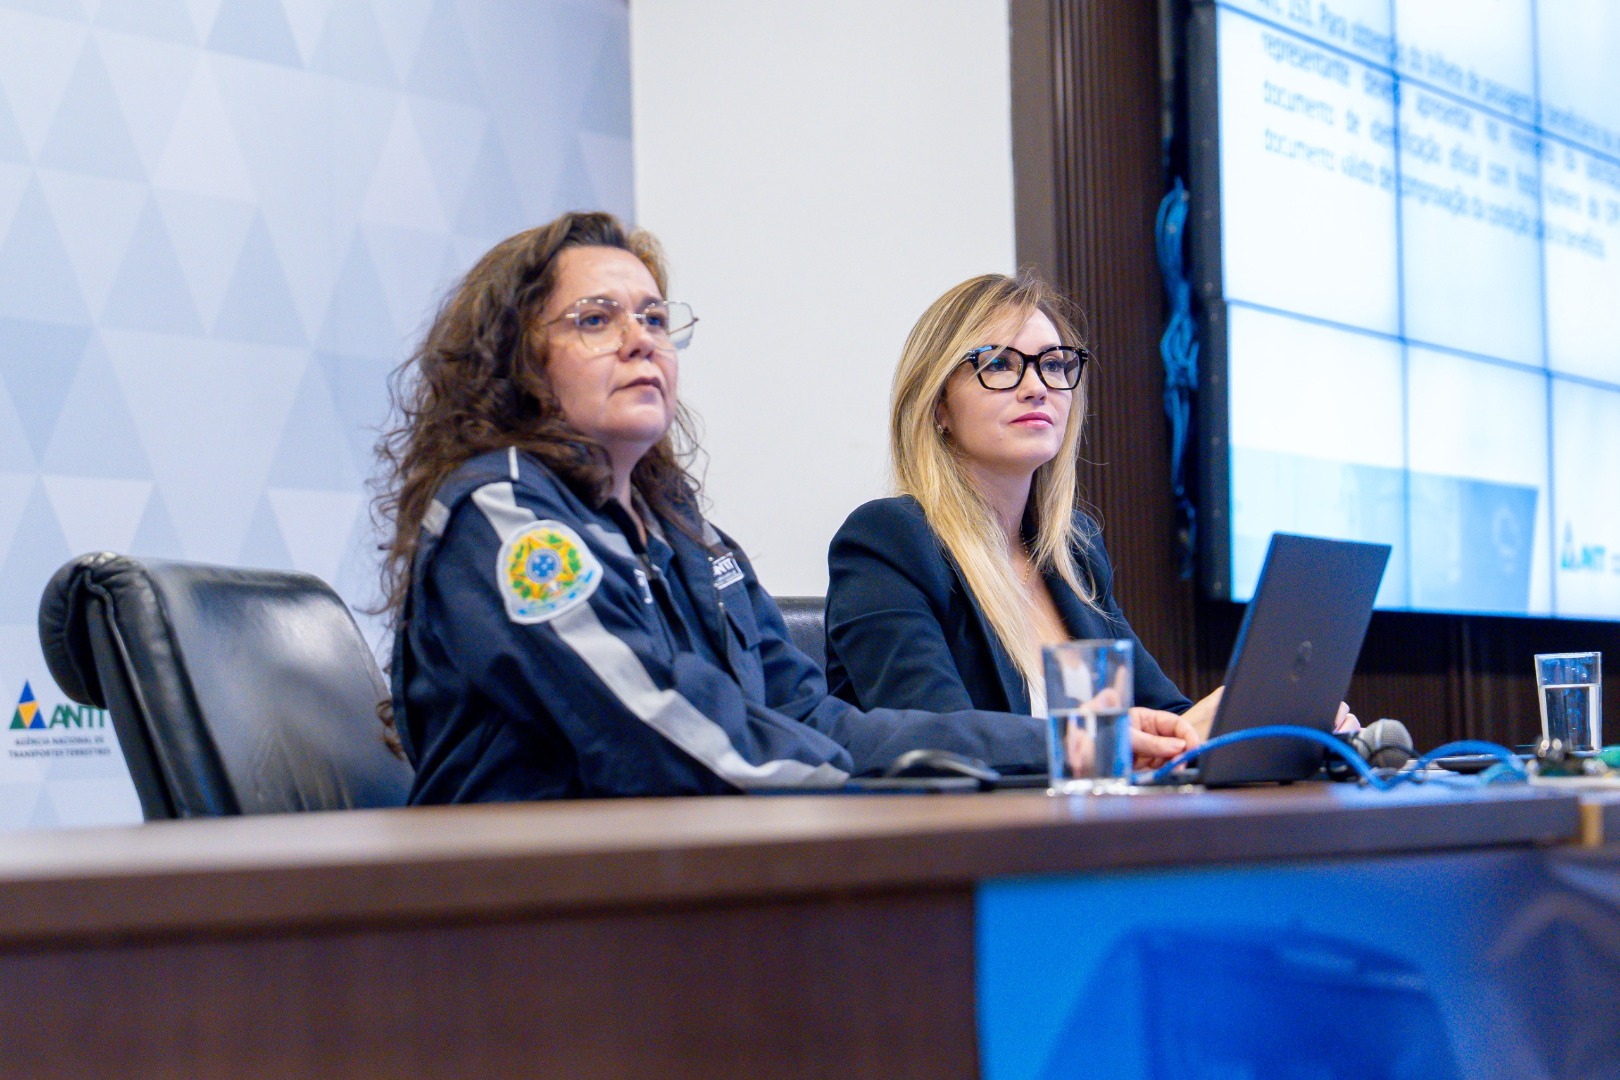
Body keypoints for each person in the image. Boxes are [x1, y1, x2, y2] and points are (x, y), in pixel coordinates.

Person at [374, 212, 1074, 802]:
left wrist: (1061, 744)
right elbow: (656, 732)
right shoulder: (506, 519)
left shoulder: (688, 538)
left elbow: (815, 721)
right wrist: (882, 792)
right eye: (596, 319)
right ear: (518, 359)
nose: (640, 338)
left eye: (653, 317)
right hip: (522, 927)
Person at [824, 273, 1354, 761]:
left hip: (1085, 836)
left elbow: (1160, 715)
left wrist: (1249, 722)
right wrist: (1113, 741)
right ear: (937, 405)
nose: (1037, 386)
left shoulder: (1072, 549)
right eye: (999, 364)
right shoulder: (888, 542)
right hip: (955, 852)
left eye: (1054, 364)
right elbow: (939, 738)